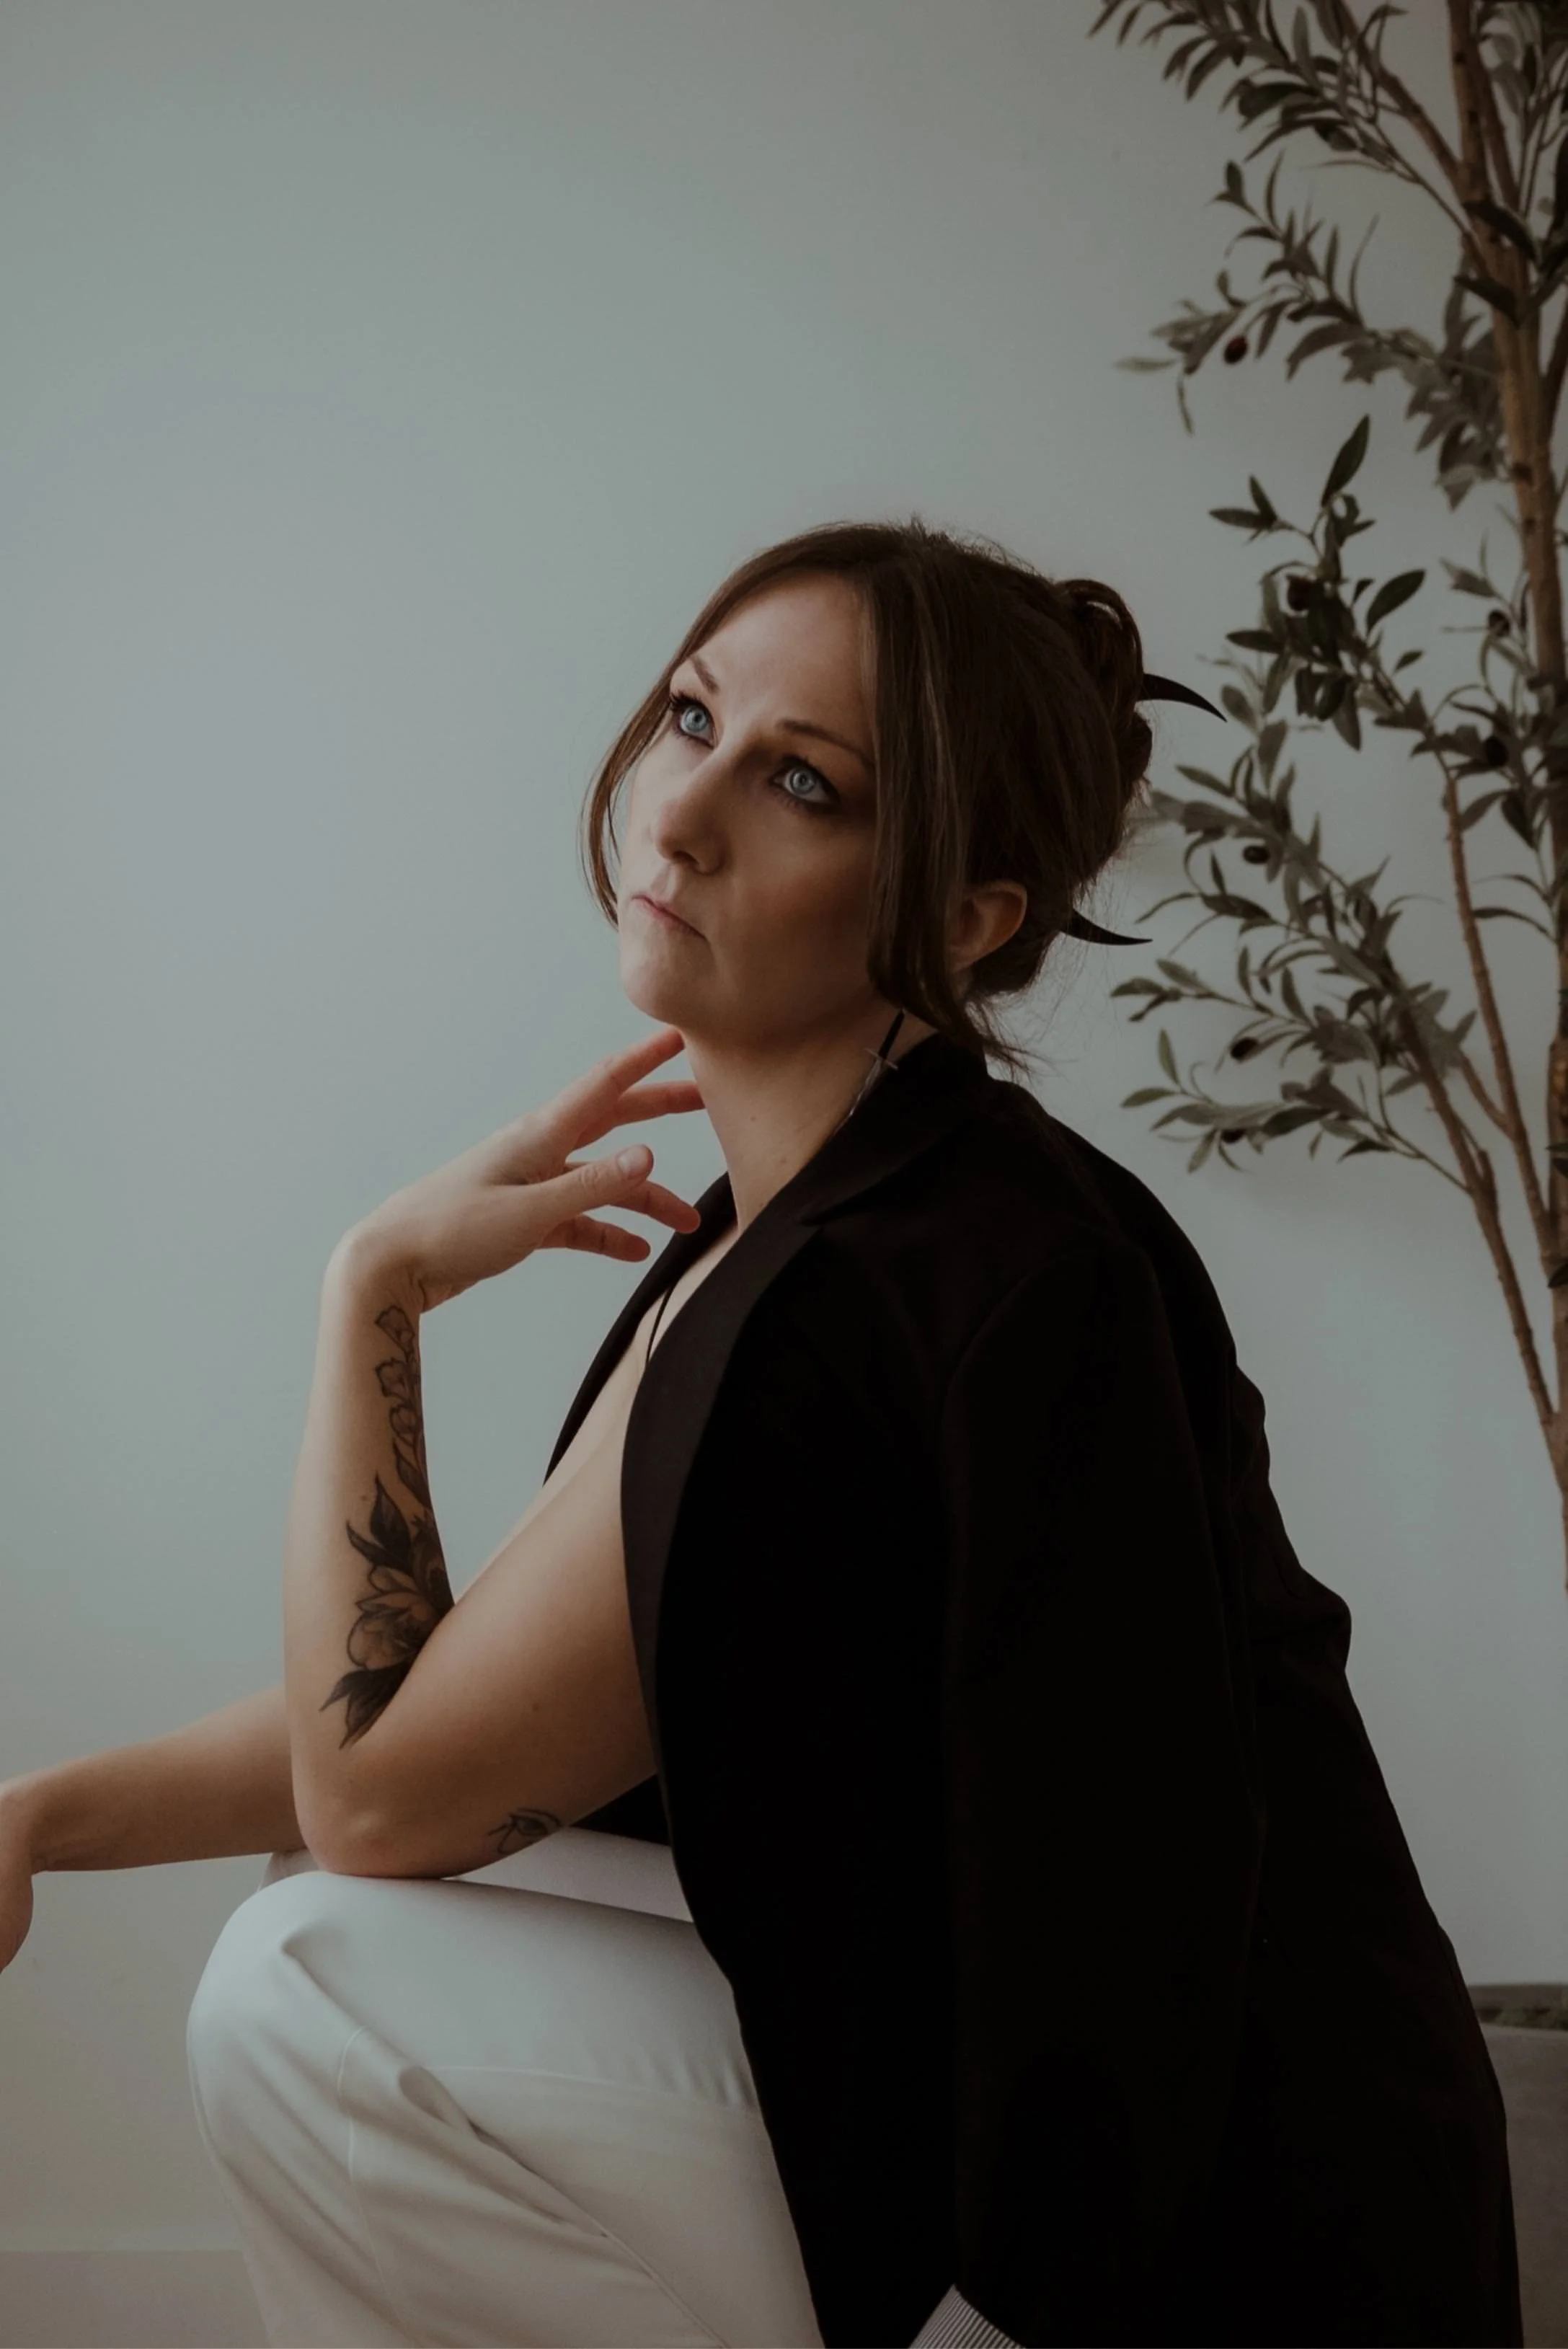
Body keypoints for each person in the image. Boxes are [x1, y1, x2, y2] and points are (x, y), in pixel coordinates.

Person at [0, 518, 1522, 2349]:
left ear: (966, 919)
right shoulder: (801, 1230)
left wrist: (371, 1296)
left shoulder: (964, 1272)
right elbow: (465, 1707)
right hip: (1045, 2125)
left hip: (1204, 2245)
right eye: (689, 718)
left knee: (315, 1972)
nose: (683, 812)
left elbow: (386, 1787)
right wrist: (36, 1817)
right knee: (325, 1908)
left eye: (801, 782)